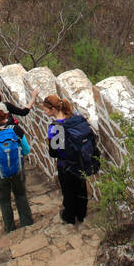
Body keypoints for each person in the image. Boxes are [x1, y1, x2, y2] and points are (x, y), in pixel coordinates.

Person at [42, 96, 100, 225]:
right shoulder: (76, 118)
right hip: (81, 160)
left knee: (68, 192)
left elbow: (54, 152)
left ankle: (69, 216)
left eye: (46, 109)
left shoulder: (56, 127)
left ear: (53, 109)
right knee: (81, 188)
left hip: (66, 165)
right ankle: (81, 214)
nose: (44, 112)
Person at [0, 109, 33, 232]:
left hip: (0, 174)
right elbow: (26, 150)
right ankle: (27, 224)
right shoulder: (16, 130)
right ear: (7, 117)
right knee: (21, 195)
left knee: (4, 202)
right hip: (17, 170)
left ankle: (10, 228)